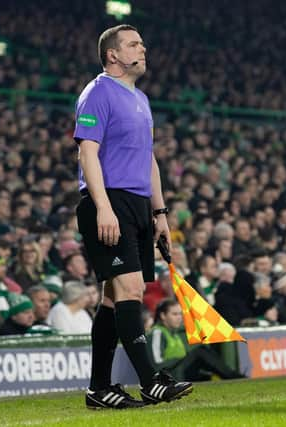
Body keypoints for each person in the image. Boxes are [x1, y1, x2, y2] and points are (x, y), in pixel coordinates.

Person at [75, 24, 192, 409]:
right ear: (113, 55)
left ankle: (99, 389)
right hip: (109, 202)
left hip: (140, 205)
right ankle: (151, 380)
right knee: (130, 291)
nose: (143, 48)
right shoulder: (97, 93)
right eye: (133, 44)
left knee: (113, 298)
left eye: (142, 42)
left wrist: (160, 214)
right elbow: (87, 153)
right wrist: (104, 207)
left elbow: (149, 160)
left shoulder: (141, 99)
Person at [147, 299, 241, 381]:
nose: (179, 318)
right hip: (170, 375)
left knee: (206, 373)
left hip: (179, 371)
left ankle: (232, 376)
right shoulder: (157, 333)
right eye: (174, 314)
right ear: (163, 316)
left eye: (180, 314)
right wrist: (180, 359)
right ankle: (235, 377)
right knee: (199, 352)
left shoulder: (173, 333)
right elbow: (157, 365)